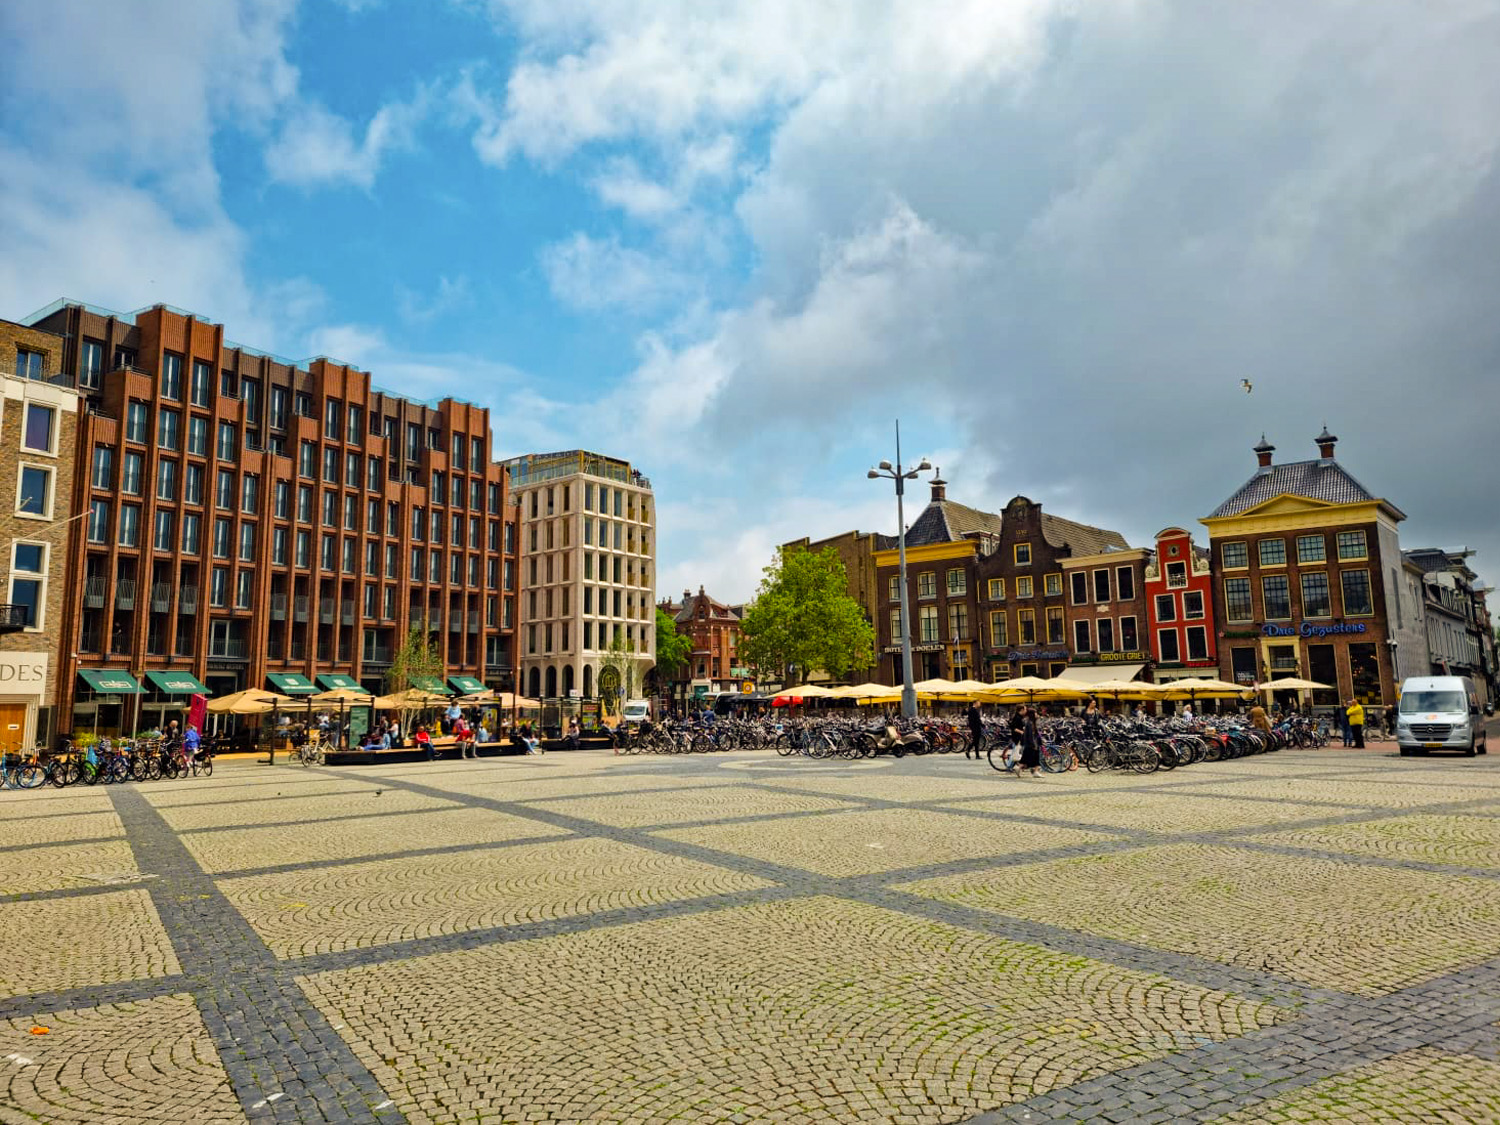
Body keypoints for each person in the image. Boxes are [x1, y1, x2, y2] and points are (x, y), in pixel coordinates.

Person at [1018, 705, 1042, 778]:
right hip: (1032, 744)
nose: (1037, 714)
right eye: (1035, 713)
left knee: (1025, 759)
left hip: (1030, 744)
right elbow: (1031, 735)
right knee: (1035, 758)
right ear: (1032, 714)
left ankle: (1019, 768)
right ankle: (1035, 772)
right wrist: (1033, 744)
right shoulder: (1030, 723)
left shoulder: (1031, 722)